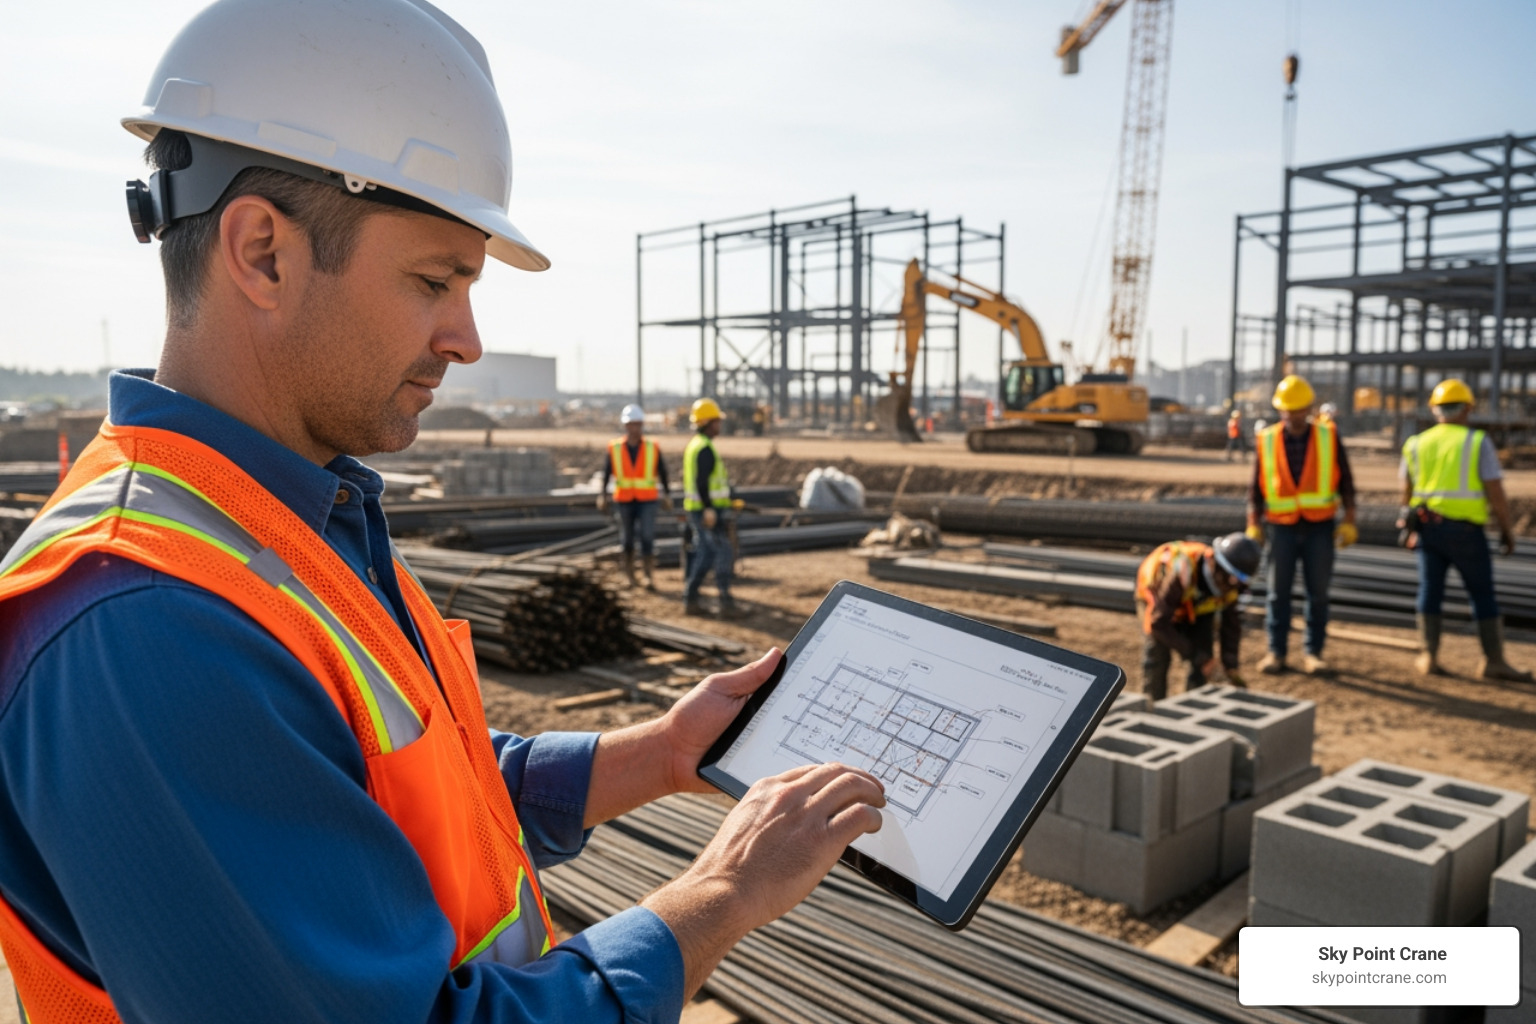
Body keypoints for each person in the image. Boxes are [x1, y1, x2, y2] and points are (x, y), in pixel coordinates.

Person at [0, 3, 886, 1022]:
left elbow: (402, 787)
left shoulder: (280, 521)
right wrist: (721, 896)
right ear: (262, 254)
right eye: (435, 279)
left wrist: (652, 754)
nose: (466, 337)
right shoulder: (148, 627)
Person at [1399, 379, 1532, 681]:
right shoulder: (1476, 442)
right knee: (1482, 593)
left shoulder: (1417, 443)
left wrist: (1408, 523)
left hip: (1427, 529)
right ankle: (1493, 661)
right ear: (1468, 409)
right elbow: (1495, 491)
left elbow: (1406, 489)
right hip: (1466, 533)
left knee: (1429, 591)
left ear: (1434, 409)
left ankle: (1428, 656)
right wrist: (1507, 530)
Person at [1246, 374, 1358, 676]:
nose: (1291, 415)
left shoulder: (1328, 436)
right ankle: (1276, 652)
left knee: (1317, 593)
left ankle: (1313, 652)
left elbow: (1346, 481)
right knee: (1277, 592)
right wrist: (1253, 523)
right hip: (1280, 527)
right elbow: (1255, 488)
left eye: (1297, 410)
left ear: (1309, 408)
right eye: (1286, 410)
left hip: (1319, 527)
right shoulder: (1267, 439)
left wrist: (1349, 519)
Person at [1135, 533, 1261, 700]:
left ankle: (1195, 700)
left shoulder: (1230, 585)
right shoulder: (1182, 570)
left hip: (1194, 605)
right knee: (1158, 653)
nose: (1234, 586)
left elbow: (1231, 626)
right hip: (1158, 603)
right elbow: (1158, 624)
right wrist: (1199, 658)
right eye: (1232, 579)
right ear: (1217, 565)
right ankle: (1151, 704)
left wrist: (1230, 666)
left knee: (1204, 649)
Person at [597, 404, 670, 590]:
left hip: (647, 500)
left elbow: (662, 471)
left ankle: (647, 575)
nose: (634, 428)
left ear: (641, 425)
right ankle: (629, 574)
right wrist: (603, 494)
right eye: (631, 424)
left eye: (637, 424)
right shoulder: (615, 448)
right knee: (627, 539)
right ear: (626, 426)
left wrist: (667, 494)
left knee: (647, 537)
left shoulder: (652, 447)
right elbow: (606, 472)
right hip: (624, 500)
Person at [682, 398, 741, 619]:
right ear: (707, 422)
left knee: (707, 554)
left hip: (703, 509)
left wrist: (728, 499)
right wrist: (709, 509)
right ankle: (725, 603)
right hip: (704, 511)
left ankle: (692, 599)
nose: (720, 426)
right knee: (721, 551)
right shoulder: (704, 448)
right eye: (717, 421)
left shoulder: (697, 444)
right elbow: (701, 482)